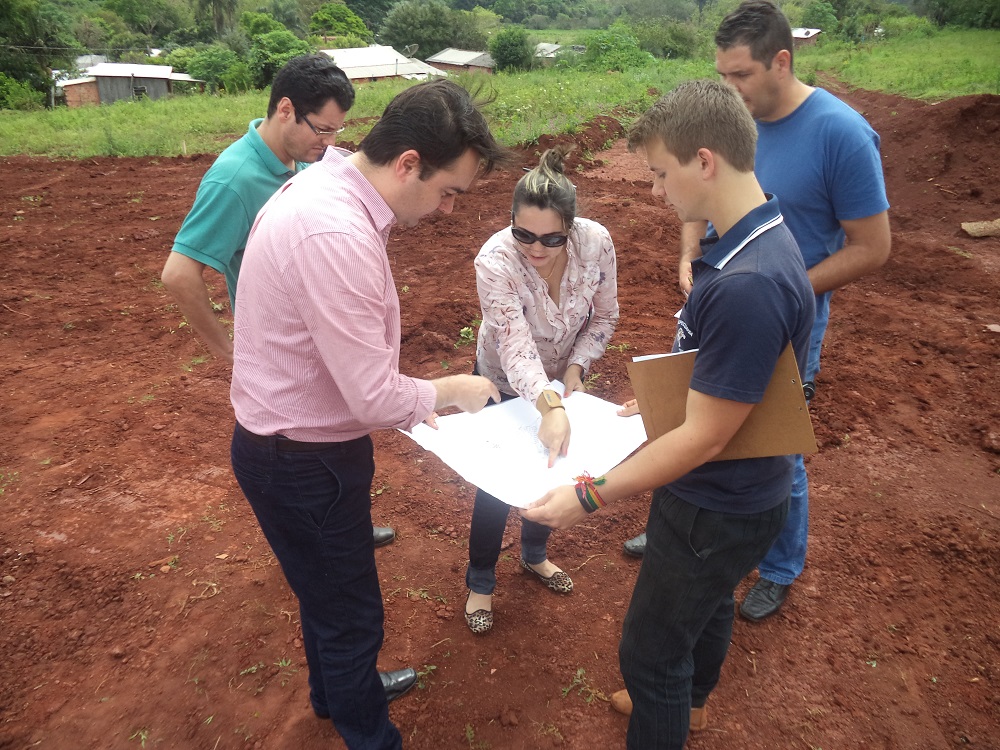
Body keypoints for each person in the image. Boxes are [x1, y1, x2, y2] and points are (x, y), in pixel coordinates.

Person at [523, 79, 816, 749]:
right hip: (740, 498)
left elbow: (705, 438)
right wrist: (672, 400)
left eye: (659, 173)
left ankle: (669, 698)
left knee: (650, 653)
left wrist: (588, 496)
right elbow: (734, 380)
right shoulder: (759, 239)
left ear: (704, 161)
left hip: (712, 507)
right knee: (707, 603)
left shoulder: (746, 286)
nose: (657, 191)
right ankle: (693, 703)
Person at [229, 79, 511, 750]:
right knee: (351, 613)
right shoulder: (335, 232)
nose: (447, 210)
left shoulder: (325, 190)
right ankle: (368, 733)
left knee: (324, 592)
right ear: (408, 163)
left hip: (286, 444)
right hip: (305, 461)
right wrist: (455, 389)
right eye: (449, 192)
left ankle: (337, 693)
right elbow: (374, 398)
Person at [621, 0, 891, 625]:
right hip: (725, 293)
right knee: (700, 407)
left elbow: (872, 247)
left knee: (771, 445)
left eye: (740, 75)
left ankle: (776, 567)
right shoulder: (727, 125)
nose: (730, 88)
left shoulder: (841, 134)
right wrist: (692, 256)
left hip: (774, 313)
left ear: (781, 62)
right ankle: (690, 531)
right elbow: (703, 195)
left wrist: (775, 288)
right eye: (722, 75)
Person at [161, 54, 396, 549]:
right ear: (285, 109)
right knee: (305, 455)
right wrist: (229, 351)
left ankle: (347, 525)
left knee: (344, 440)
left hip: (317, 334)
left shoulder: (302, 160)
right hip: (281, 354)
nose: (328, 143)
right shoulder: (235, 179)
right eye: (322, 129)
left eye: (336, 131)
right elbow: (179, 275)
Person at [464, 145, 620, 634]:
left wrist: (576, 366)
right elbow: (514, 348)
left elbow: (606, 316)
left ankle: (534, 555)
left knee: (548, 470)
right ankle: (480, 581)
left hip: (560, 378)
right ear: (511, 222)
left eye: (551, 238)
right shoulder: (495, 261)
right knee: (496, 482)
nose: (535, 249)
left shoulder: (596, 244)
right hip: (502, 381)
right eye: (524, 234)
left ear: (571, 228)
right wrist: (548, 406)